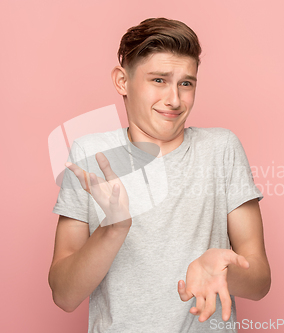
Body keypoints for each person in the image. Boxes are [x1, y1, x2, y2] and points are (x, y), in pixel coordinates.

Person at [48, 17, 271, 332]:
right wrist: (112, 230)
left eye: (186, 83)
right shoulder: (90, 155)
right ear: (122, 81)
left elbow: (260, 282)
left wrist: (222, 272)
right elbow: (64, 295)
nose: (175, 100)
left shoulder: (221, 148)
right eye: (158, 80)